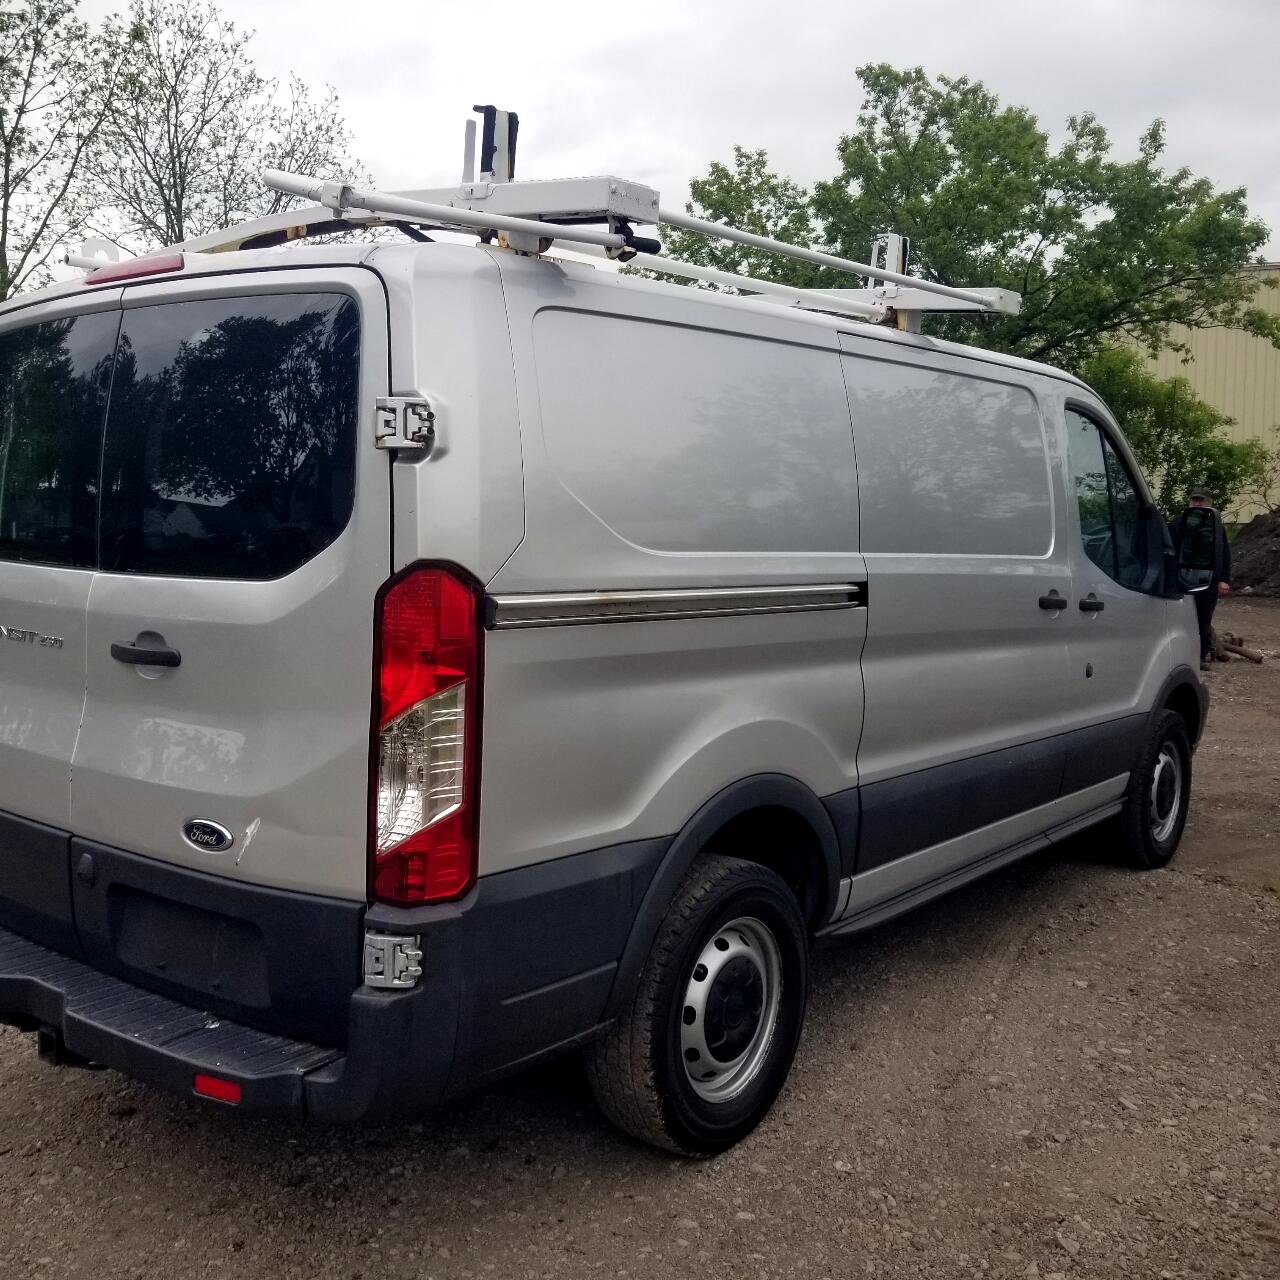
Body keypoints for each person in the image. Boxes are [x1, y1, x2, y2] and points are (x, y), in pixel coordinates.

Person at [1169, 487, 1231, 669]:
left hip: (1209, 578)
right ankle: (1183, 655)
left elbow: (1224, 553)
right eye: (1194, 500)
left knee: (1204, 618)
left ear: (1209, 502)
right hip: (1184, 576)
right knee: (1184, 618)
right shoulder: (1180, 521)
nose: (1197, 503)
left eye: (1200, 500)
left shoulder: (1216, 525)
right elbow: (1169, 546)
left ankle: (1200, 657)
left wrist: (1224, 579)